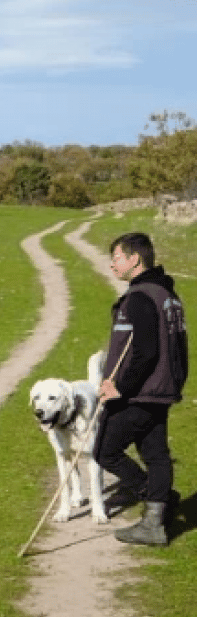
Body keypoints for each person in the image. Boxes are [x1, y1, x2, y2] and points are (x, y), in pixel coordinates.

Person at [95, 232, 188, 546]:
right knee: (156, 454)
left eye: (117, 258)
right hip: (162, 388)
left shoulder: (140, 297)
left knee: (105, 451)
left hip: (141, 391)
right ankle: (155, 518)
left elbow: (146, 351)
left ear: (135, 259)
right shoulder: (167, 295)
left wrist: (120, 387)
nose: (112, 265)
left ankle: (157, 500)